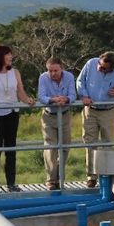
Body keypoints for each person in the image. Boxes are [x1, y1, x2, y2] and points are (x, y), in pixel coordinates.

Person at [0, 46, 35, 193]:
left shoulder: (15, 72)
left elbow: (20, 93)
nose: (11, 56)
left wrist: (28, 100)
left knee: (11, 149)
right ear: (0, 56)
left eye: (11, 54)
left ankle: (11, 182)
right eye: (8, 54)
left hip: (12, 113)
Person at [77, 51, 114, 187]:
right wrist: (84, 96)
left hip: (108, 111)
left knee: (108, 143)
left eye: (104, 68)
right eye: (100, 65)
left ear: (112, 68)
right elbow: (80, 81)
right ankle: (91, 177)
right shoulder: (90, 63)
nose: (100, 68)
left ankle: (107, 175)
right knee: (90, 143)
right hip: (90, 110)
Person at [38, 58, 76, 190]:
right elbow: (41, 96)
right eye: (50, 71)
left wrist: (66, 99)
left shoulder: (69, 76)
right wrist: (53, 100)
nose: (53, 73)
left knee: (65, 146)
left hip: (65, 114)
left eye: (55, 70)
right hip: (49, 115)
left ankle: (59, 175)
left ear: (61, 68)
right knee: (51, 147)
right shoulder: (43, 78)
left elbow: (73, 94)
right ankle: (51, 180)